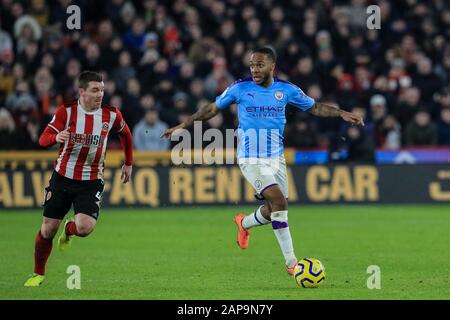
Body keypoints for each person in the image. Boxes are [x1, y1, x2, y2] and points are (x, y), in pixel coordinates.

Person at [161, 47, 363, 275]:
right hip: (250, 157)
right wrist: (183, 125)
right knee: (279, 202)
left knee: (274, 209)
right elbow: (211, 108)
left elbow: (315, 107)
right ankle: (292, 264)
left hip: (276, 158)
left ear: (271, 66)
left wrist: (341, 113)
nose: (254, 70)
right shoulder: (240, 88)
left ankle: (244, 223)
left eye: (259, 65)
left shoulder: (286, 90)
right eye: (252, 65)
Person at [24, 71, 134, 287]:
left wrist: (128, 162)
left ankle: (69, 230)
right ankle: (38, 273)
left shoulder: (110, 115)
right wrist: (57, 137)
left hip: (91, 180)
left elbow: (126, 134)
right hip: (62, 178)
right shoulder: (66, 111)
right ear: (81, 91)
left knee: (85, 228)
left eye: (102, 90)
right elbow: (43, 138)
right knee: (47, 230)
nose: (100, 94)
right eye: (95, 90)